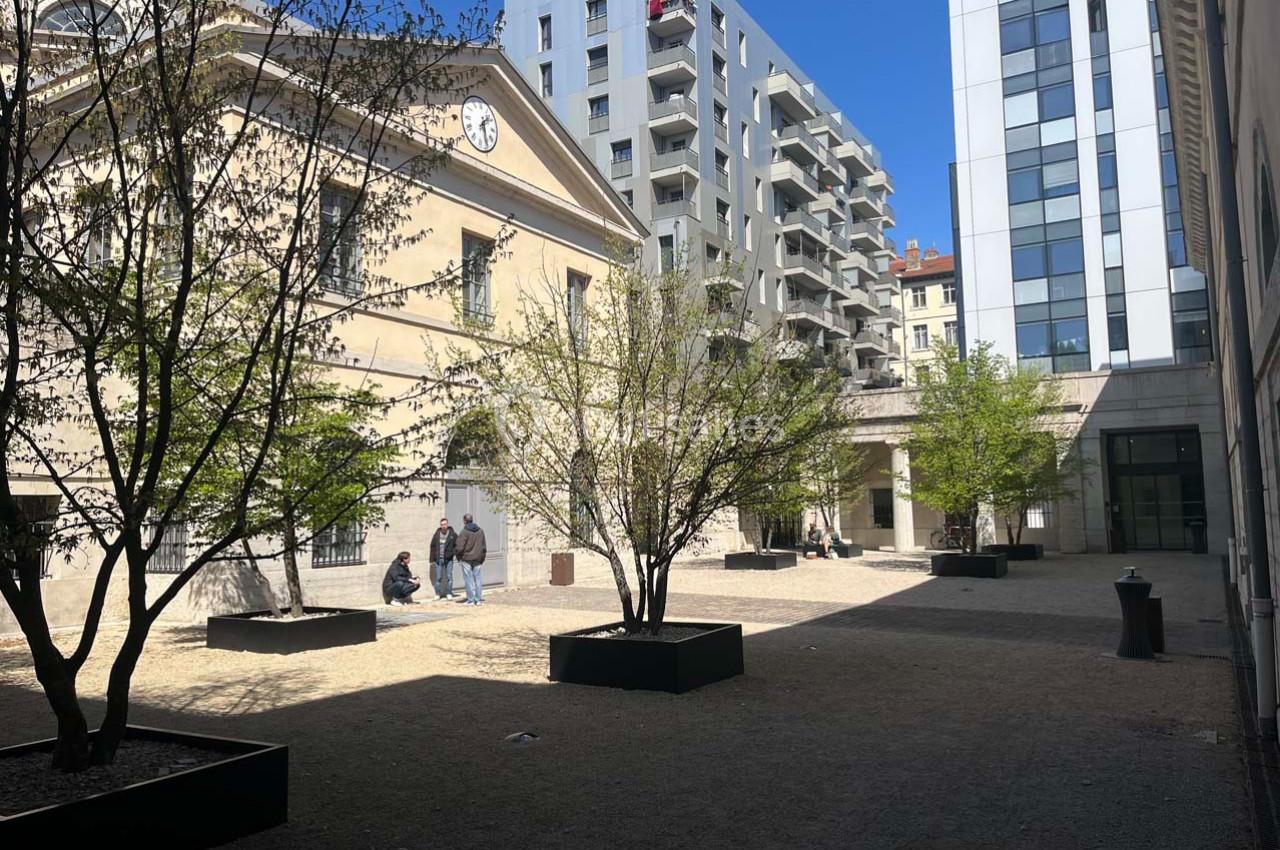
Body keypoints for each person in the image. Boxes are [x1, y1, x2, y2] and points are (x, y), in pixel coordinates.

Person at [455, 513, 487, 606]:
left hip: (466, 558)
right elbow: (483, 546)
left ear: (465, 521)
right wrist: (482, 557)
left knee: (468, 579)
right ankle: (478, 600)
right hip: (477, 558)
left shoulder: (464, 532)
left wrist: (458, 556)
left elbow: (459, 547)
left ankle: (470, 600)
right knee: (478, 579)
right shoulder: (480, 531)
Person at [429, 517, 458, 600]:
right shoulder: (437, 535)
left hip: (448, 559)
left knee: (449, 577)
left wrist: (452, 553)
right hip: (438, 559)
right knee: (438, 577)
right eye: (442, 525)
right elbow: (432, 546)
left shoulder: (452, 534)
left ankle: (449, 593)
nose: (443, 526)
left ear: (447, 525)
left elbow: (457, 545)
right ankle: (438, 593)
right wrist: (432, 559)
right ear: (440, 526)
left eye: (445, 524)